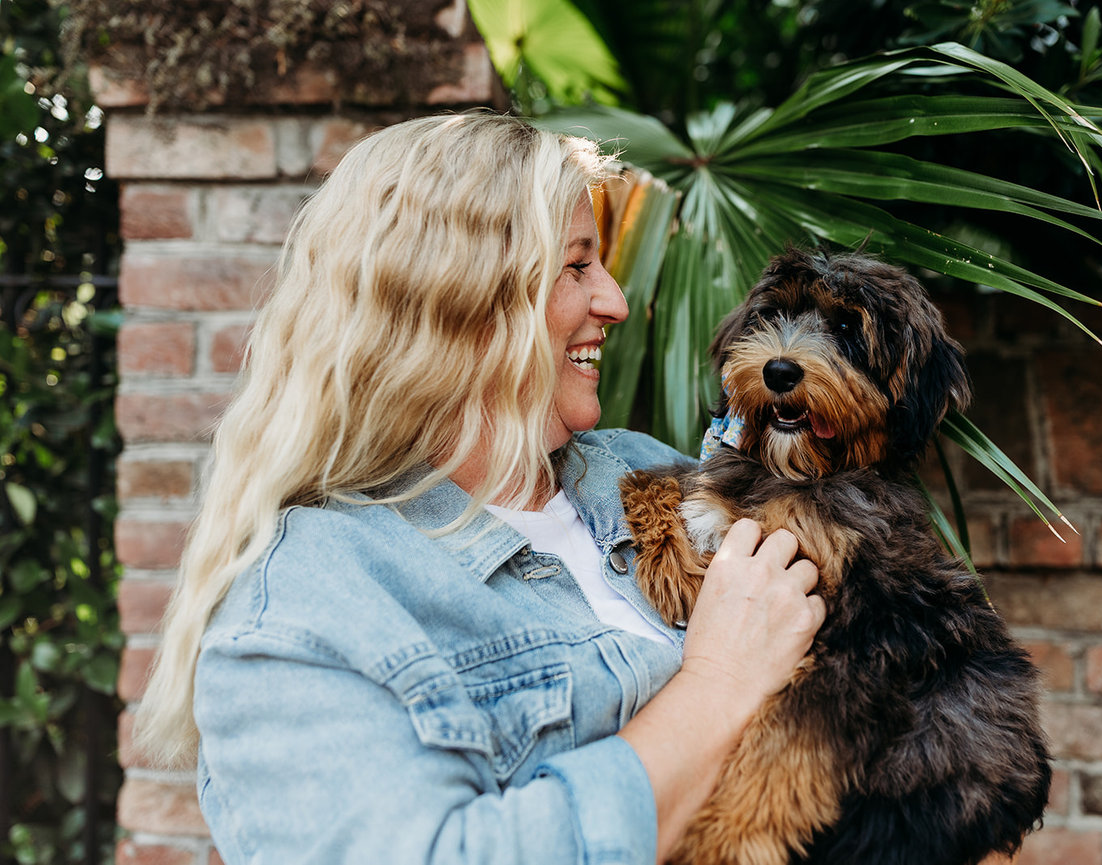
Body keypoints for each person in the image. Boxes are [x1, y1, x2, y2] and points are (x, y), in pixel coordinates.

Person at [136, 112, 825, 865]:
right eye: (575, 266)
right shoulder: (308, 609)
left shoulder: (641, 471)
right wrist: (720, 684)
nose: (615, 301)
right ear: (457, 302)